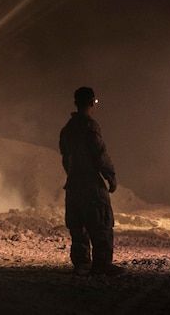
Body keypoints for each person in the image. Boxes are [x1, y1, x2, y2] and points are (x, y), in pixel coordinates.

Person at [59, 86, 123, 276]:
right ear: (92, 103)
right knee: (101, 224)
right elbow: (100, 154)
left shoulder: (67, 129)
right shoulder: (90, 126)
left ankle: (82, 263)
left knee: (78, 227)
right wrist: (110, 177)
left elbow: (65, 158)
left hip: (73, 185)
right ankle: (102, 264)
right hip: (91, 186)